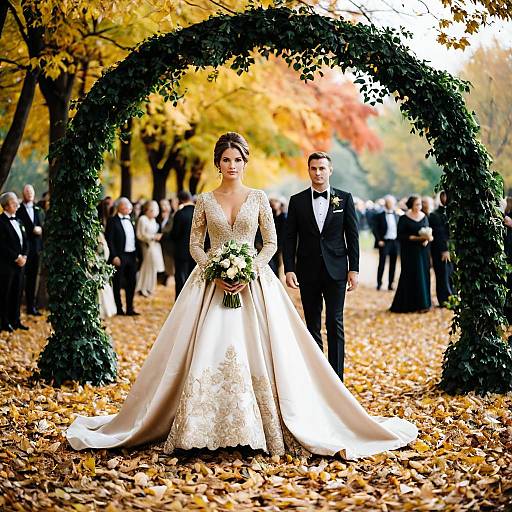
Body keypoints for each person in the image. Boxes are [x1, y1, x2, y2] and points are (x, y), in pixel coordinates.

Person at [66, 132, 417, 460]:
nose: (232, 165)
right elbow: (194, 244)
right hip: (211, 285)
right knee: (203, 347)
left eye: (237, 159)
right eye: (226, 159)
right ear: (217, 162)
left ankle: (260, 424)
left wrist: (249, 269)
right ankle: (198, 427)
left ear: (244, 162)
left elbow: (272, 242)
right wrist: (215, 271)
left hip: (255, 283)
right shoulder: (204, 200)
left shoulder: (259, 198)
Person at [284, 151, 359, 382]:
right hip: (307, 271)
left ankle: (336, 379)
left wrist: (353, 269)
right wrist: (289, 268)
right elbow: (289, 237)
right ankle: (317, 379)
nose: (318, 172)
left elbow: (352, 235)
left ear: (330, 170)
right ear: (308, 170)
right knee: (312, 325)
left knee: (335, 323)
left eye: (322, 168)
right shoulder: (297, 201)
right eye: (314, 168)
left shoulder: (344, 198)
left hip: (337, 269)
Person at [390, 195, 432, 313]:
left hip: (422, 251)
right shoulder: (404, 218)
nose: (419, 207)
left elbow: (428, 231)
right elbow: (400, 235)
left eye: (420, 204)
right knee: (410, 275)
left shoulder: (424, 217)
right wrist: (415, 238)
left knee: (423, 275)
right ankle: (408, 304)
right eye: (417, 205)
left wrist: (427, 239)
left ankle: (423, 304)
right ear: (411, 205)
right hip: (409, 252)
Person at [105, 197, 139, 316]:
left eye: (129, 206)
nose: (128, 208)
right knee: (118, 282)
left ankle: (130, 308)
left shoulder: (132, 219)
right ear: (119, 207)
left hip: (131, 255)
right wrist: (114, 256)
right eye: (125, 206)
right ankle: (119, 308)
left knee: (132, 282)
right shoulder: (112, 221)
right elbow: (110, 240)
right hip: (120, 256)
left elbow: (135, 239)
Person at [0, 192, 29, 332]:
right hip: (7, 265)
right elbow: (1, 245)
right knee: (6, 293)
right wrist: (16, 257)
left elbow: (26, 240)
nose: (17, 205)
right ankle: (4, 322)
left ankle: (15, 320)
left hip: (21, 264)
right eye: (13, 203)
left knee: (18, 292)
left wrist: (24, 256)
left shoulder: (19, 221)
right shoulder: (1, 222)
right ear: (6, 206)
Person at [16, 184, 44, 315]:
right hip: (23, 251)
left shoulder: (39, 210)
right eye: (27, 191)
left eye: (31, 191)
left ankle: (31, 307)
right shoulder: (18, 210)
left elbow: (44, 225)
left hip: (36, 249)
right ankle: (16, 308)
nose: (29, 193)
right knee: (21, 279)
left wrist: (41, 229)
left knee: (34, 279)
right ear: (23, 194)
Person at [429, 191, 453, 307]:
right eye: (443, 196)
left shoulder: (452, 212)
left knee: (451, 274)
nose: (446, 198)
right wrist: (444, 249)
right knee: (442, 275)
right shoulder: (434, 215)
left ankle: (452, 298)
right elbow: (439, 234)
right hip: (440, 250)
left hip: (452, 250)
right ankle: (444, 300)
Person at [135, 200, 165, 297]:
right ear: (147, 210)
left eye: (155, 210)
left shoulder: (154, 220)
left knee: (154, 267)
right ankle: (142, 288)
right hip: (146, 246)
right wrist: (152, 237)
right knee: (147, 267)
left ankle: (150, 287)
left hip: (155, 246)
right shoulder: (142, 219)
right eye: (152, 210)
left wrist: (157, 236)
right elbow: (139, 234)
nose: (154, 212)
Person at [170, 191, 195, 298]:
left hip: (181, 252)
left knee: (180, 280)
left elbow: (175, 234)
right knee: (193, 280)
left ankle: (179, 303)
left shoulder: (180, 214)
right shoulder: (199, 212)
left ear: (180, 200)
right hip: (196, 252)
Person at [373, 195, 400, 291]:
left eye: (392, 203)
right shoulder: (379, 215)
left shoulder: (397, 215)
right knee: (382, 263)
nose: (390, 204)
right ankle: (379, 283)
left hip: (395, 242)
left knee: (393, 264)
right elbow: (375, 229)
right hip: (384, 242)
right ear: (385, 203)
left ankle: (390, 284)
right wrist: (379, 240)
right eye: (388, 202)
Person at [269, 196, 287, 277]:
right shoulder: (269, 217)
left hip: (281, 246)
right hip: (271, 244)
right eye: (272, 201)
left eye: (276, 201)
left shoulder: (285, 217)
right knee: (273, 266)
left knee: (280, 265)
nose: (273, 203)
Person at [158, 199, 175, 285]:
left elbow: (170, 230)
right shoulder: (159, 217)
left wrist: (162, 234)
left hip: (169, 244)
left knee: (168, 263)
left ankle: (168, 279)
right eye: (162, 205)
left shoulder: (172, 217)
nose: (164, 207)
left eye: (165, 205)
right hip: (160, 245)